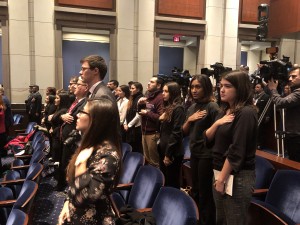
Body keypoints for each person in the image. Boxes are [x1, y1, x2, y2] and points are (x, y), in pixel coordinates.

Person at [58, 97, 121, 225]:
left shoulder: (108, 155)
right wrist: (66, 203)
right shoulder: (89, 146)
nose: (77, 116)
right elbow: (72, 184)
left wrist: (81, 165)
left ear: (96, 121)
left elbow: (87, 197)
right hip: (76, 213)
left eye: (83, 112)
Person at [205, 70, 257, 225]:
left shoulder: (246, 113)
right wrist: (216, 123)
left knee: (233, 221)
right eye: (221, 85)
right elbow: (207, 138)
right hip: (220, 172)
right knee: (221, 220)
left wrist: (221, 179)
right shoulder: (224, 111)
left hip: (236, 176)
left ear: (240, 88)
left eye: (227, 86)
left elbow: (236, 149)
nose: (222, 89)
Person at [182, 75, 219, 225]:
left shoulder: (212, 107)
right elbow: (183, 131)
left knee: (205, 194)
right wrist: (190, 120)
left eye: (198, 87)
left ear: (206, 88)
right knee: (196, 190)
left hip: (207, 155)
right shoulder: (192, 107)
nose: (194, 90)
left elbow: (217, 134)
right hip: (194, 153)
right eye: (192, 87)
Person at [57, 77, 89, 191]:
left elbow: (79, 122)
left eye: (77, 84)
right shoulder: (75, 101)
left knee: (72, 167)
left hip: (75, 140)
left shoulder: (86, 103)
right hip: (67, 138)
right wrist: (62, 116)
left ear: (86, 88)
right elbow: (66, 113)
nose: (74, 86)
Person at [268, 66, 300, 162]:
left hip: (296, 136)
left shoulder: (298, 93)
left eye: (294, 76)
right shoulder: (295, 91)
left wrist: (273, 89)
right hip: (294, 134)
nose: (290, 79)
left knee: (295, 163)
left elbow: (280, 103)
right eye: (290, 76)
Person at [158, 82, 185, 189]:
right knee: (165, 180)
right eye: (162, 91)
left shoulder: (178, 109)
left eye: (166, 91)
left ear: (173, 92)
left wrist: (168, 154)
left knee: (171, 182)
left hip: (172, 151)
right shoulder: (169, 107)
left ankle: (173, 204)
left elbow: (176, 133)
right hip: (164, 148)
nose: (163, 94)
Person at [138, 76, 164, 167]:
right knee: (148, 160)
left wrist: (147, 113)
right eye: (149, 81)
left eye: (152, 82)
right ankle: (149, 180)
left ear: (158, 86)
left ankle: (157, 180)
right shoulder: (148, 96)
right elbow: (140, 112)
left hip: (153, 133)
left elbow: (161, 117)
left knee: (155, 162)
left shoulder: (160, 98)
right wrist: (140, 105)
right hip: (144, 132)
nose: (149, 83)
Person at [123, 82, 144, 153]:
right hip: (129, 126)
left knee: (136, 148)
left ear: (138, 89)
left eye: (133, 88)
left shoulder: (141, 98)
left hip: (136, 127)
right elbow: (127, 112)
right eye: (130, 88)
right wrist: (125, 123)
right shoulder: (131, 98)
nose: (130, 90)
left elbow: (138, 115)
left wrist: (129, 125)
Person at [254, 82, 271, 149]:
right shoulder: (255, 96)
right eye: (255, 87)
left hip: (262, 115)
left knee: (260, 131)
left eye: (258, 87)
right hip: (255, 115)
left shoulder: (266, 96)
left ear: (262, 88)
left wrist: (268, 116)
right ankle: (255, 144)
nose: (256, 88)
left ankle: (260, 145)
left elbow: (269, 107)